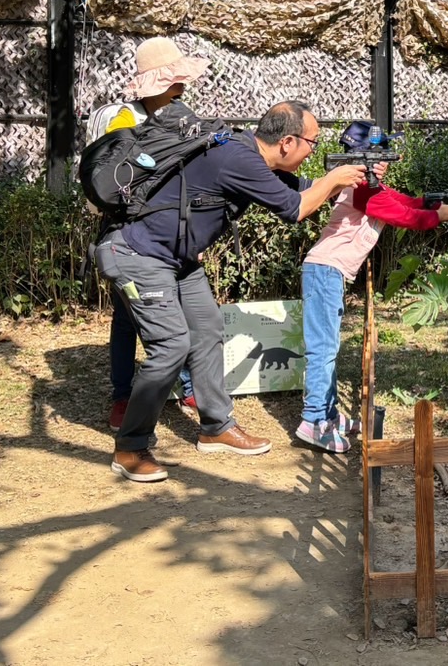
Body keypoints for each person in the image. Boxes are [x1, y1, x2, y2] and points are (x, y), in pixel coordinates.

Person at [95, 100, 368, 482]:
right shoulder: (238, 159)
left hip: (176, 259)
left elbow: (303, 189)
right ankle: (130, 447)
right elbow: (295, 208)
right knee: (171, 345)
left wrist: (355, 177)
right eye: (311, 142)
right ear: (288, 142)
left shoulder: (247, 155)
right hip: (137, 255)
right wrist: (335, 179)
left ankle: (215, 428)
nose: (314, 150)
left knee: (207, 328)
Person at [295, 121, 448, 454]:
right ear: (359, 159)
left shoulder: (370, 189)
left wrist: (443, 203)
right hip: (325, 271)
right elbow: (408, 218)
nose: (384, 161)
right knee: (323, 350)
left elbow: (410, 204)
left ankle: (327, 415)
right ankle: (313, 422)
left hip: (329, 273)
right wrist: (437, 216)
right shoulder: (362, 192)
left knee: (328, 349)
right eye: (377, 155)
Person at [86, 36, 210, 432]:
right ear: (158, 82)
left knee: (184, 311)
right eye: (175, 80)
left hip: (175, 230)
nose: (183, 87)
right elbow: (109, 183)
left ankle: (188, 386)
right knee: (126, 317)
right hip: (129, 233)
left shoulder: (181, 116)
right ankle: (123, 396)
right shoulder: (122, 119)